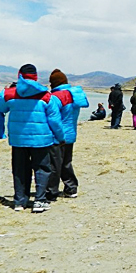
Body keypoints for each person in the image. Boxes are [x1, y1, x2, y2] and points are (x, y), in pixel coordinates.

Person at [0, 64, 65, 212]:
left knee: (20, 169)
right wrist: (60, 138)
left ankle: (19, 201)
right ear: (36, 76)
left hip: (18, 140)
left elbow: (0, 110)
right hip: (41, 140)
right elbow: (55, 120)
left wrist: (1, 132)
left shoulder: (8, 94)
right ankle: (39, 201)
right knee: (42, 169)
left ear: (19, 75)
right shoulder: (46, 95)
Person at [46, 69, 89, 201]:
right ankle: (71, 188)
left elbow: (54, 120)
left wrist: (59, 136)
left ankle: (51, 192)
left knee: (54, 164)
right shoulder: (74, 95)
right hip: (71, 134)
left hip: (59, 136)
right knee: (66, 162)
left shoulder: (56, 97)